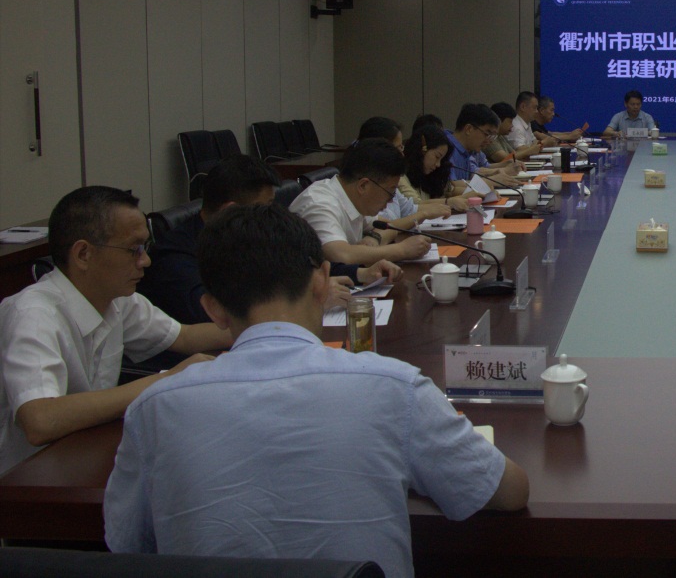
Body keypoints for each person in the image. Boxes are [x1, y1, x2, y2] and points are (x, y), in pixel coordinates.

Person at [104, 204, 529, 574]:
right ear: (323, 282)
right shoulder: (394, 388)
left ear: (213, 309)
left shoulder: (153, 409)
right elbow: (509, 492)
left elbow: (126, 545)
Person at [0, 186, 232, 475]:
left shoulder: (116, 299)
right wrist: (165, 380)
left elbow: (185, 336)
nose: (145, 261)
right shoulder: (33, 315)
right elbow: (40, 420)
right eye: (133, 250)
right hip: (23, 480)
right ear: (83, 254)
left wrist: (265, 323)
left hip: (81, 455)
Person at [141, 155, 400, 325]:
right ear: (231, 211)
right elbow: (220, 318)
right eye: (265, 207)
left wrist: (362, 273)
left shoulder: (249, 235)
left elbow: (297, 264)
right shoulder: (174, 259)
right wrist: (306, 299)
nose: (273, 214)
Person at [290, 138, 432, 265]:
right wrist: (402, 250)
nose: (390, 201)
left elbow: (389, 227)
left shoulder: (352, 197)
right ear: (363, 186)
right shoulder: (319, 204)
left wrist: (374, 238)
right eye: (390, 193)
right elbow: (341, 255)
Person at [447, 103, 522, 187]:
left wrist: (497, 171)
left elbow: (475, 172)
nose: (489, 140)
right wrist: (492, 180)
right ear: (469, 129)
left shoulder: (468, 149)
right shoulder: (446, 149)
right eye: (487, 134)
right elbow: (450, 187)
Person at [401, 124, 472, 211]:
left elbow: (450, 190)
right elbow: (415, 204)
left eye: (441, 160)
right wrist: (448, 202)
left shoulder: (430, 174)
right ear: (423, 149)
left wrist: (475, 193)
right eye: (437, 157)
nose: (438, 164)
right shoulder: (400, 174)